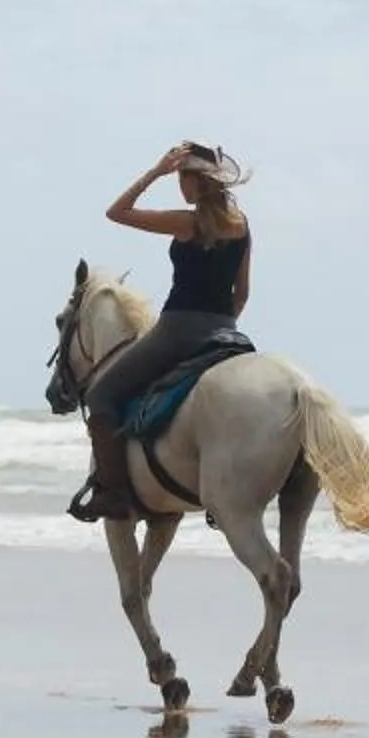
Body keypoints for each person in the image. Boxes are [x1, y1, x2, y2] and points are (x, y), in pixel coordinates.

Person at [72, 141, 253, 522]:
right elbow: (242, 293)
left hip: (177, 331)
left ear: (194, 180)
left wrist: (155, 171)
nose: (178, 186)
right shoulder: (242, 225)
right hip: (227, 332)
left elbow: (116, 212)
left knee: (102, 394)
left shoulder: (186, 222)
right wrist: (221, 325)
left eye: (180, 177)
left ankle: (113, 494)